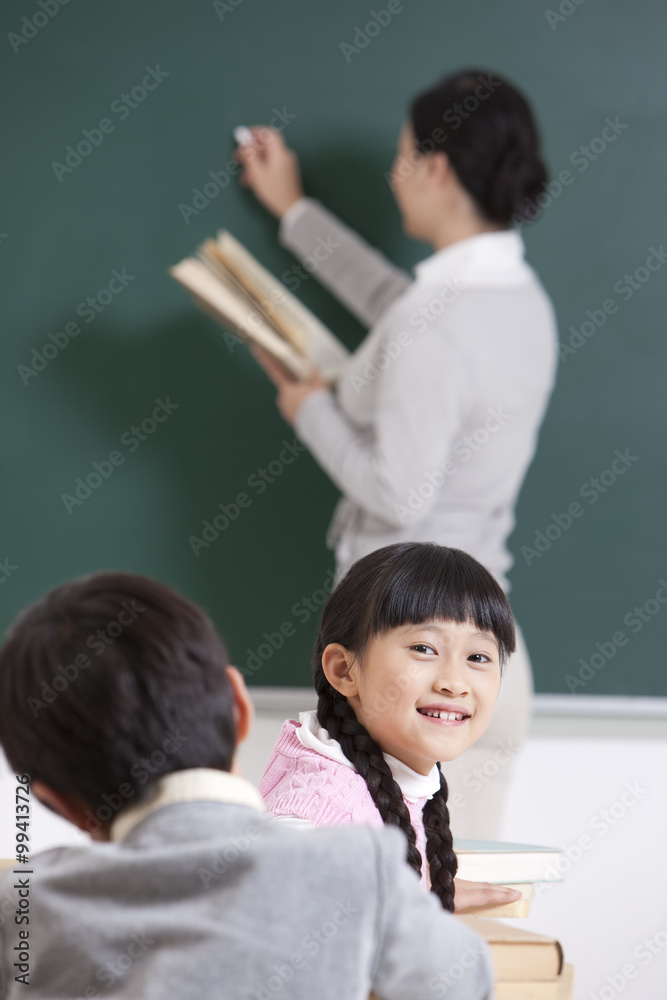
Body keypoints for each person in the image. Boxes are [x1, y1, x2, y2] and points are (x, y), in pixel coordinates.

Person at [235, 69, 558, 839]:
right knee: (456, 927)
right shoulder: (519, 300)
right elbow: (398, 311)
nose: (395, 173)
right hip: (478, 668)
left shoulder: (434, 326)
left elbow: (397, 491)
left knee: (373, 925)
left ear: (438, 168)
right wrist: (295, 215)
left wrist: (307, 407)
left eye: (404, 155)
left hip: (409, 672)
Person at [0, 571, 495, 1000]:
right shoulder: (360, 870)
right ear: (240, 708)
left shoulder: (24, 909)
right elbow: (466, 984)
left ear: (55, 802)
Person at [259, 541, 523, 914]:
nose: (455, 682)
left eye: (478, 657)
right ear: (344, 670)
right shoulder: (315, 812)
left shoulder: (397, 787)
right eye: (424, 648)